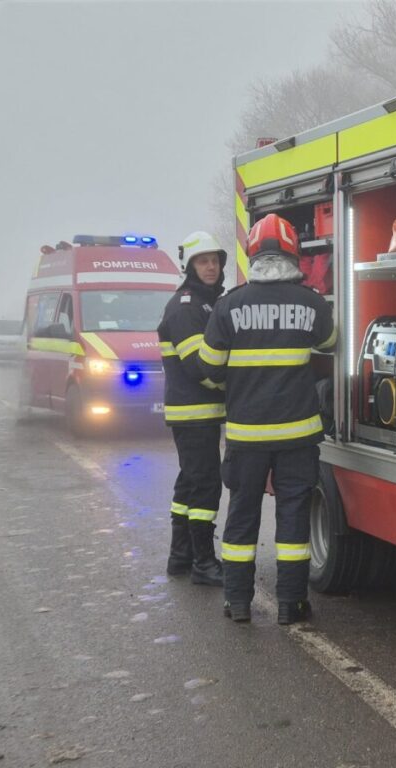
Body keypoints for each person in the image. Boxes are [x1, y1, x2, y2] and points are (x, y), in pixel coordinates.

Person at [199, 213, 335, 625]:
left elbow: (209, 367)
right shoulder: (311, 302)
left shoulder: (228, 305)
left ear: (252, 254)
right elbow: (331, 343)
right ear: (294, 253)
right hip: (298, 436)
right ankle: (291, 604)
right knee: (293, 517)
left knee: (242, 515)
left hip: (246, 436)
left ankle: (238, 602)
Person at [156, 232, 227, 586]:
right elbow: (199, 367)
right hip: (195, 413)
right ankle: (203, 562)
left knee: (189, 483)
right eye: (203, 261)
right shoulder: (187, 306)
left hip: (196, 413)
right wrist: (238, 388)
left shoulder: (203, 302)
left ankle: (180, 556)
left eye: (214, 260)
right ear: (190, 267)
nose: (210, 267)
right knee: (205, 485)